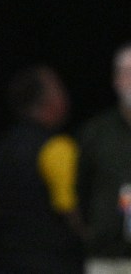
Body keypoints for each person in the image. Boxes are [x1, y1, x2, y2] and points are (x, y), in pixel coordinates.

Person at [0, 64, 83, 274]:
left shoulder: (0, 150)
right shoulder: (57, 148)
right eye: (59, 89)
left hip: (7, 262)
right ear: (48, 101)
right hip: (54, 264)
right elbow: (71, 210)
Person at [77, 42, 131, 273]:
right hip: (106, 257)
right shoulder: (96, 132)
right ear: (115, 80)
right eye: (126, 73)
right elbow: (78, 187)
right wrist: (88, 232)